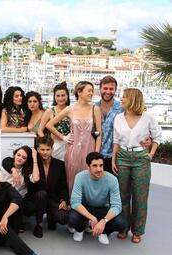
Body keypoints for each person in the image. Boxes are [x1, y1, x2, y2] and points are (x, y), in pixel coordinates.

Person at [112, 88, 162, 244]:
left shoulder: (148, 118)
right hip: (122, 157)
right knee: (122, 196)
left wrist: (151, 154)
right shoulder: (119, 117)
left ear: (132, 99)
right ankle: (123, 227)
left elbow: (157, 136)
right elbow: (116, 140)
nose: (121, 99)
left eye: (124, 97)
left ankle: (138, 231)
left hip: (141, 158)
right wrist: (114, 159)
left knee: (140, 197)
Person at [46, 81, 102, 196]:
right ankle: (73, 208)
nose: (92, 93)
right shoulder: (70, 109)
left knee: (89, 181)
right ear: (80, 92)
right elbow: (49, 125)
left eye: (92, 91)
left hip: (90, 150)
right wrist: (64, 137)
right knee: (72, 180)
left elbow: (99, 133)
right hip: (73, 151)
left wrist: (96, 154)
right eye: (89, 90)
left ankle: (87, 208)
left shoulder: (94, 109)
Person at [69, 152, 129, 245]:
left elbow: (117, 206)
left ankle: (103, 231)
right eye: (95, 166)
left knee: (122, 223)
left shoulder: (112, 179)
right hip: (86, 207)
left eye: (101, 165)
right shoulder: (80, 177)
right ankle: (80, 229)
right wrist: (92, 218)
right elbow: (75, 202)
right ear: (88, 166)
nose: (99, 169)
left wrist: (104, 221)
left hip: (102, 209)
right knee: (71, 217)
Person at [30, 136, 70, 234]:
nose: (45, 152)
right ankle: (38, 225)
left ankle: (51, 216)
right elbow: (9, 160)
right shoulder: (33, 163)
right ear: (38, 149)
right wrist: (12, 169)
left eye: (48, 149)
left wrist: (64, 200)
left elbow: (63, 185)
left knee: (63, 218)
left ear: (52, 149)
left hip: (53, 198)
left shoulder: (59, 164)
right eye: (42, 149)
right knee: (41, 194)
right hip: (37, 198)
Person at [1, 146, 41, 235]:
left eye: (24, 157)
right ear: (14, 155)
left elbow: (36, 178)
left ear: (26, 160)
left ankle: (18, 222)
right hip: (5, 198)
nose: (20, 158)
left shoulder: (26, 170)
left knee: (28, 205)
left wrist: (34, 158)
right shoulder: (7, 163)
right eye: (18, 155)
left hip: (19, 201)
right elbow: (6, 161)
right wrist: (14, 170)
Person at [96, 76, 124, 173]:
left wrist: (147, 138)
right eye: (105, 88)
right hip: (96, 156)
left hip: (116, 157)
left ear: (115, 90)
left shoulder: (122, 109)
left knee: (114, 186)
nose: (108, 92)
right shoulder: (93, 108)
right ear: (100, 89)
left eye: (111, 89)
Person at [38, 81, 71, 161]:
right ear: (54, 97)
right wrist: (46, 144)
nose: (60, 98)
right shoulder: (50, 111)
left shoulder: (71, 110)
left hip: (69, 145)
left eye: (63, 95)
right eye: (58, 96)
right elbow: (40, 130)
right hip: (54, 146)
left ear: (67, 96)